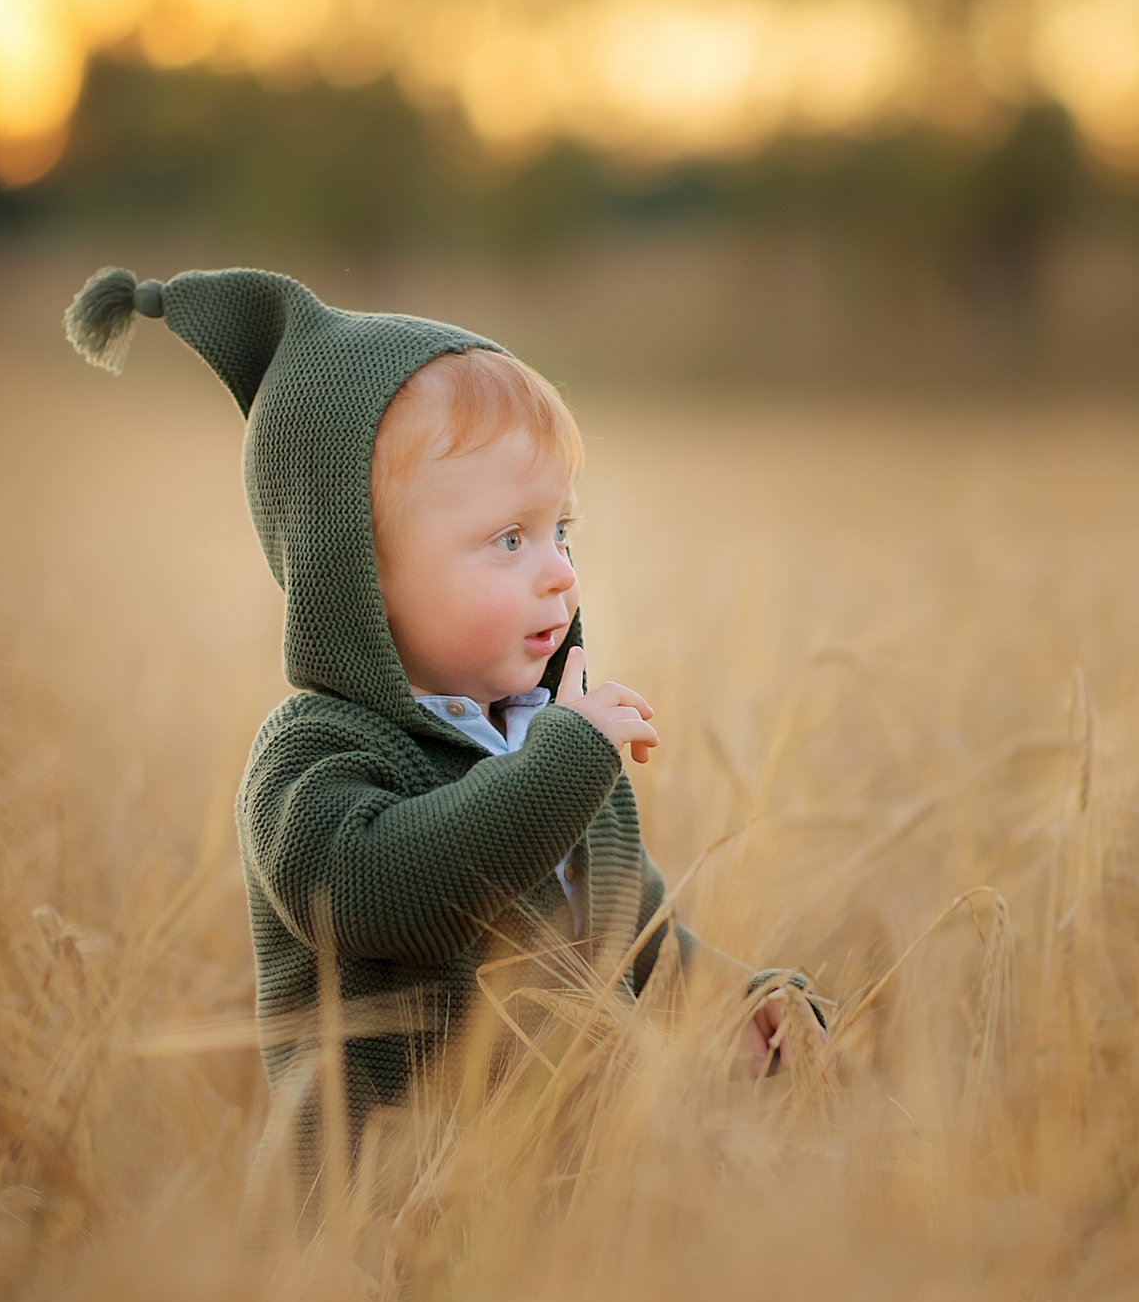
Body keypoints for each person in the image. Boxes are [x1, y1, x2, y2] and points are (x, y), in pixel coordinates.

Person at [61, 264, 824, 1212]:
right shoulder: (316, 761)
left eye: (561, 531)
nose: (561, 573)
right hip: (381, 1229)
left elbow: (637, 939)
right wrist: (559, 770)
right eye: (510, 539)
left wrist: (741, 1001)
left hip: (555, 1212)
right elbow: (380, 892)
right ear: (355, 572)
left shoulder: (551, 740)